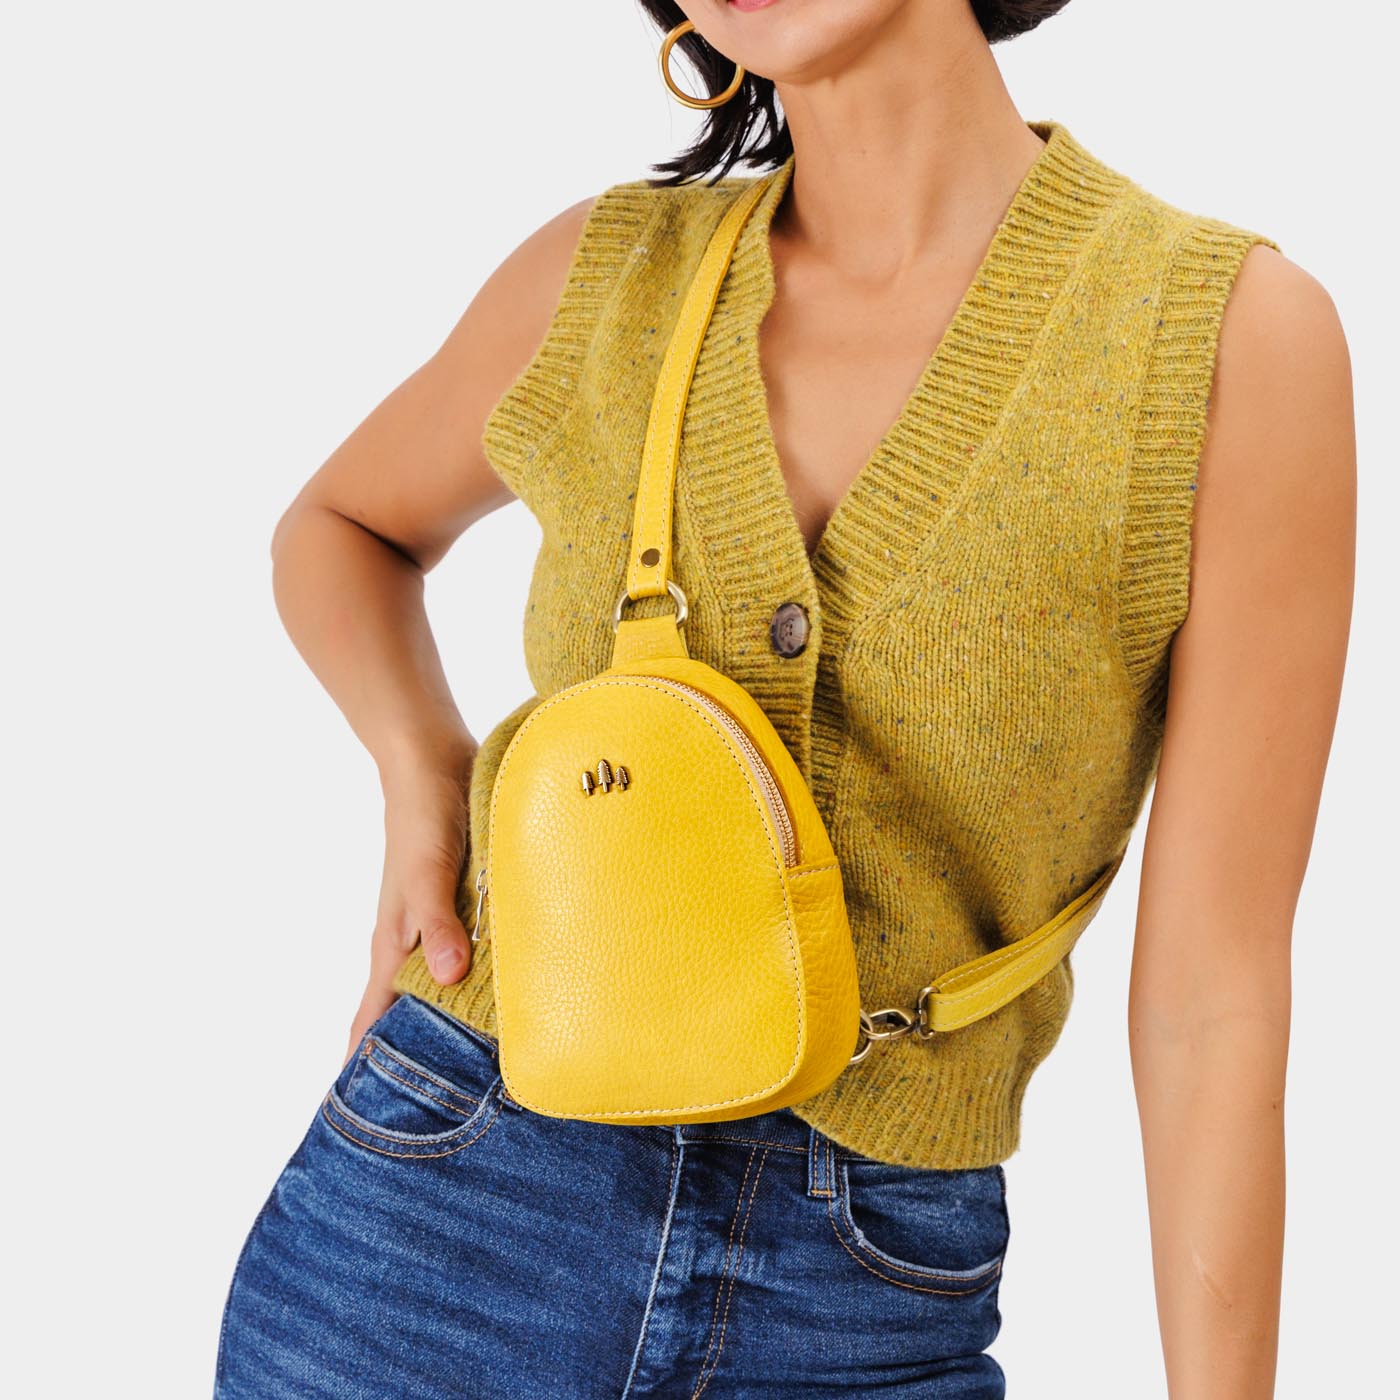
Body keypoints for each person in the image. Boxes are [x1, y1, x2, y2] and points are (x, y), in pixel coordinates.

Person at [214, 2, 1355, 1396]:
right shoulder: (602, 278)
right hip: (436, 1222)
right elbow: (339, 528)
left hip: (866, 1293)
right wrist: (421, 767)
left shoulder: (1228, 339)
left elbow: (1212, 999)